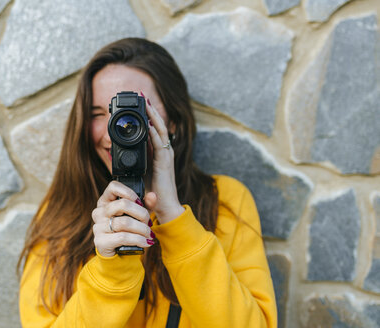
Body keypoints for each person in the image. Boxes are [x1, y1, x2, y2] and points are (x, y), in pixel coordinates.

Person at [18, 38, 277, 327]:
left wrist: (175, 220)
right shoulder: (60, 215)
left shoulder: (225, 200)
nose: (115, 131)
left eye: (132, 115)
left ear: (173, 120)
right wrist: (111, 269)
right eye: (97, 114)